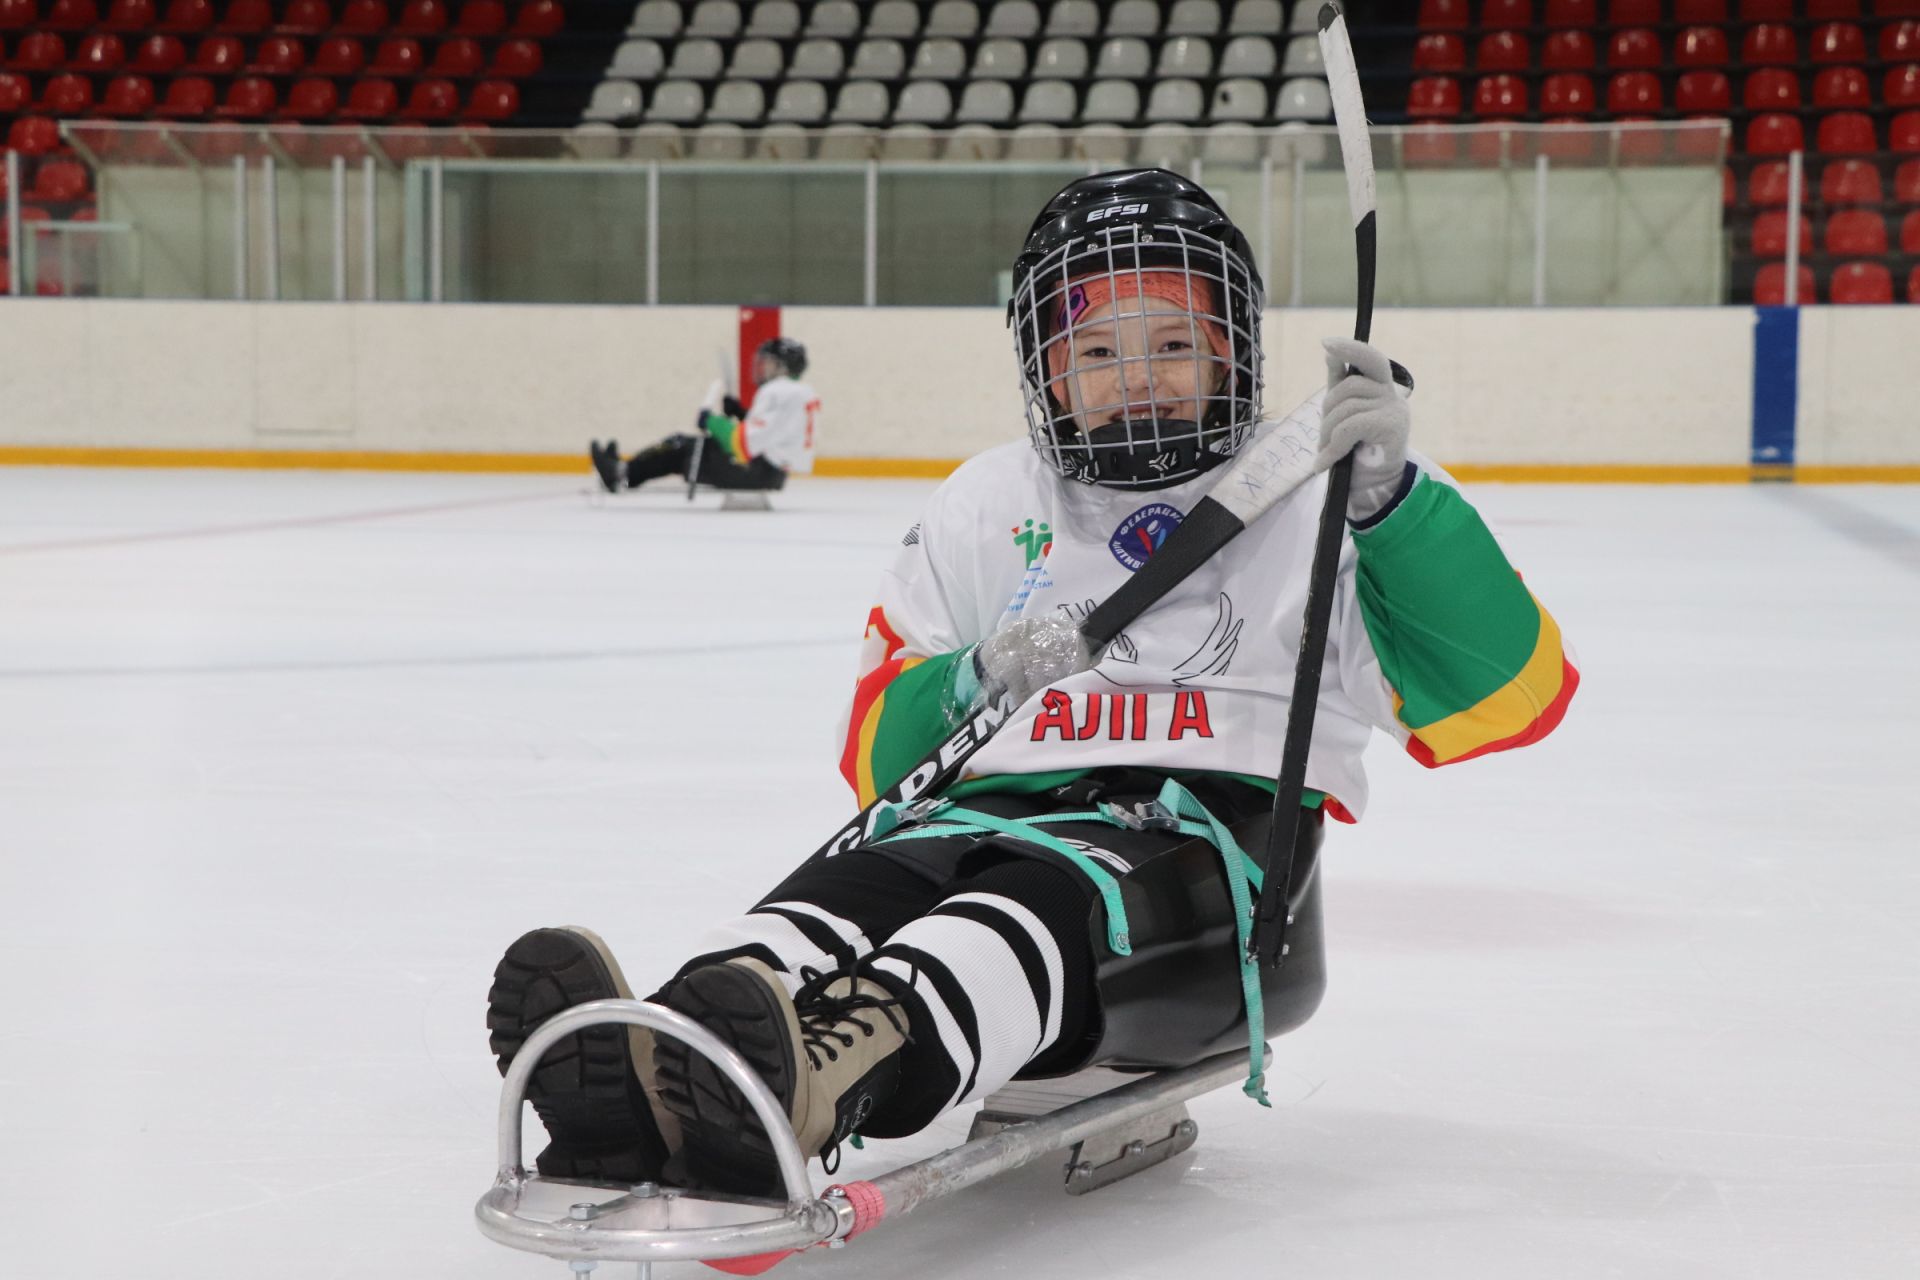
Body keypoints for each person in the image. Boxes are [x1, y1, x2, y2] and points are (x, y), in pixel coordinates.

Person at [490, 170, 1579, 1197]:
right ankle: (663, 1061)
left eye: (1171, 342)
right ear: (1047, 366)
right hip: (975, 807)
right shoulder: (987, 499)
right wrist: (969, 680)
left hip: (1210, 856)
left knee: (1034, 905)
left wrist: (1394, 502)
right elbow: (876, 751)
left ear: (1233, 347)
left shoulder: (1326, 492)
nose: (1136, 375)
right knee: (849, 894)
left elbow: (1508, 697)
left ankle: (835, 1075)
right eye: (1098, 349)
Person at [589, 337, 819, 494]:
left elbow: (742, 444)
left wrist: (711, 420)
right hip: (771, 474)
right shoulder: (801, 392)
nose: (762, 368)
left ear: (783, 367)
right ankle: (626, 470)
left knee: (680, 446)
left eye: (768, 363)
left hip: (755, 473)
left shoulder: (777, 390)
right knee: (689, 447)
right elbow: (772, 433)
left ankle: (621, 473)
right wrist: (740, 413)